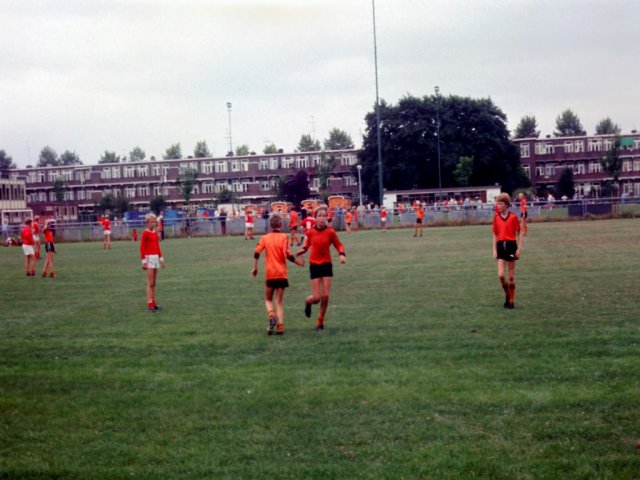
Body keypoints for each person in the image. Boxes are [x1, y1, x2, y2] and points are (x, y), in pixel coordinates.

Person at [252, 214, 304, 335]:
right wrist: (298, 262)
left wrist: (255, 268)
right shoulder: (284, 237)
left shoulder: (265, 238)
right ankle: (280, 327)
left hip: (270, 273)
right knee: (279, 302)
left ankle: (271, 316)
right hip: (281, 273)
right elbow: (287, 254)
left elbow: (257, 252)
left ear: (270, 225)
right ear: (280, 225)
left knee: (268, 299)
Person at [296, 205, 346, 331]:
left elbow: (339, 245)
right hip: (314, 265)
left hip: (326, 264)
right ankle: (308, 302)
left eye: (324, 216)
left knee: (325, 296)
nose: (322, 218)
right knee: (316, 298)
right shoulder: (310, 232)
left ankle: (320, 322)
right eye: (320, 216)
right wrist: (301, 251)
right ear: (315, 217)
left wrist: (341, 254)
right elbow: (307, 245)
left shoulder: (330, 232)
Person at [492, 193, 523, 309]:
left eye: (500, 204)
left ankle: (511, 301)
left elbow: (519, 232)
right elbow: (495, 234)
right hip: (501, 246)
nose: (498, 206)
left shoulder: (513, 217)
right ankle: (507, 294)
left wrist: (519, 248)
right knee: (501, 275)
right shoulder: (496, 218)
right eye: (497, 204)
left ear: (506, 205)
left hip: (511, 246)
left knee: (511, 277)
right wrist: (494, 249)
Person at [140, 213, 166, 312]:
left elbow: (157, 247)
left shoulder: (155, 232)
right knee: (150, 283)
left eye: (154, 222)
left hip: (155, 258)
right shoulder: (145, 233)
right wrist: (143, 261)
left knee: (154, 283)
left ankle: (154, 304)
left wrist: (161, 259)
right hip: (149, 258)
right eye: (151, 222)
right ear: (147, 223)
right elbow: (142, 247)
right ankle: (149, 305)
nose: (153, 224)